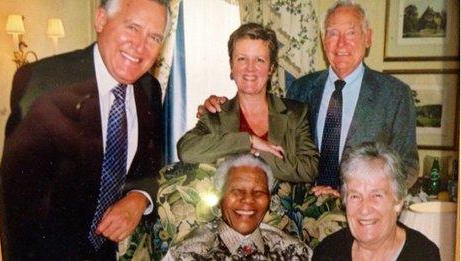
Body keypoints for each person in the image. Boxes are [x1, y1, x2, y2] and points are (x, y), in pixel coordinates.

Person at [0, 0, 168, 259]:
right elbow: (17, 202)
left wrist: (140, 196)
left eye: (154, 36)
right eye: (132, 27)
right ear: (101, 20)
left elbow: (150, 160)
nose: (140, 46)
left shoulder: (149, 89)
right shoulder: (43, 81)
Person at [202, 1, 418, 191]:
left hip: (361, 213)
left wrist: (357, 195)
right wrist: (221, 108)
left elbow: (408, 166)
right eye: (333, 33)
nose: (341, 44)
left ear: (368, 38)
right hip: (301, 214)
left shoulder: (395, 95)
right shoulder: (300, 88)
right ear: (323, 40)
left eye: (351, 33)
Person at [177, 23, 319, 183]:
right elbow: (186, 151)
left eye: (259, 60)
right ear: (232, 66)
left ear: (271, 68)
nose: (250, 68)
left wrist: (252, 152)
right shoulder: (216, 114)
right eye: (242, 59)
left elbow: (309, 169)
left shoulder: (296, 113)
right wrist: (248, 141)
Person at [164, 154, 312, 260]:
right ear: (220, 197)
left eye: (259, 192)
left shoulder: (295, 252)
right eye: (237, 191)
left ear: (269, 200)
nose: (248, 200)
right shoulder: (186, 255)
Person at [312, 142, 440, 261]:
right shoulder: (327, 252)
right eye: (355, 196)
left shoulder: (424, 255)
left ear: (398, 202)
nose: (364, 209)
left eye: (376, 196)